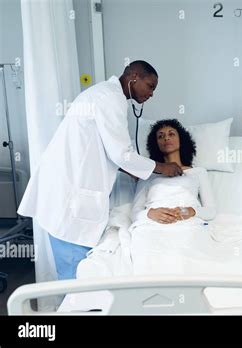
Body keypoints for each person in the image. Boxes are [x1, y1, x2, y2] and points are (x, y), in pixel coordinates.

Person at [18, 60, 183, 280]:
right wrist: (163, 168)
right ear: (133, 76)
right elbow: (121, 154)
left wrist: (136, 169)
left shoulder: (103, 94)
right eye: (150, 86)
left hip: (62, 189)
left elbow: (108, 150)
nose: (151, 93)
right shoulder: (110, 99)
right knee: (76, 272)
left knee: (74, 269)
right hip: (68, 195)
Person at [131, 118, 216, 226]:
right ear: (156, 144)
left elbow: (211, 211)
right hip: (151, 225)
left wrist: (191, 211)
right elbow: (135, 214)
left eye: (171, 134)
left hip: (188, 224)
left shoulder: (198, 172)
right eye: (160, 136)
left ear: (181, 140)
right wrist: (151, 213)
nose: (166, 138)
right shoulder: (147, 174)